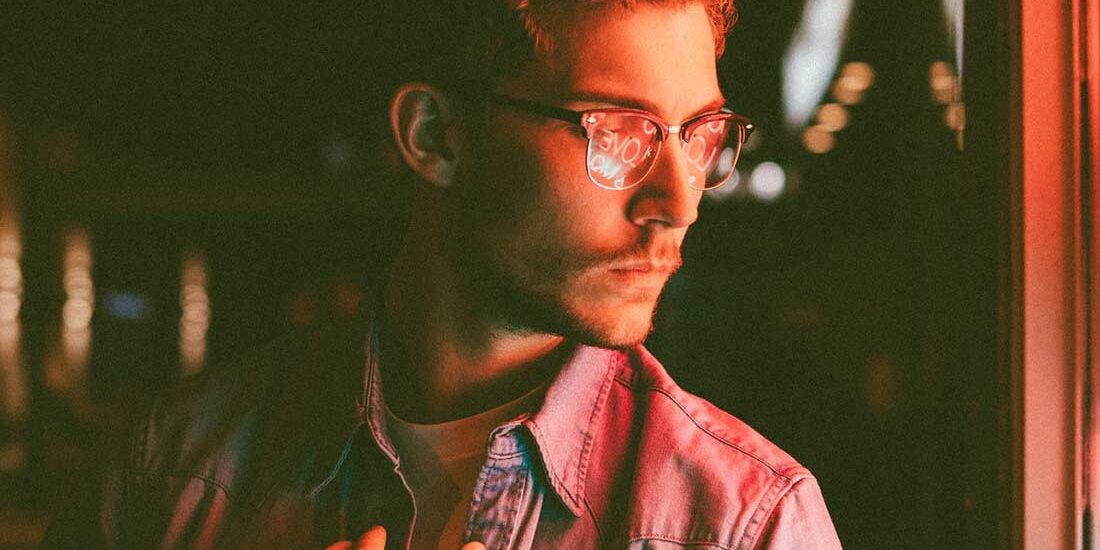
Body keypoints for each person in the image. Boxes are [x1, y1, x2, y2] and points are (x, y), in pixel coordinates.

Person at [41, 0, 842, 548]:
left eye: (699, 134)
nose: (679, 202)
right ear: (435, 137)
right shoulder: (164, 473)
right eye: (618, 132)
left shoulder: (745, 522)